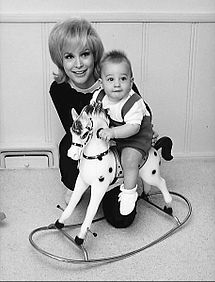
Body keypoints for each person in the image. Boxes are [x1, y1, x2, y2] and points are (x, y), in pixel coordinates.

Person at [48, 18, 156, 228]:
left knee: (121, 219)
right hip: (87, 142)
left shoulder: (113, 78)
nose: (78, 64)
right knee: (70, 153)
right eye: (69, 57)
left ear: (94, 54)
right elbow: (75, 130)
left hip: (122, 143)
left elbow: (142, 110)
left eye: (85, 54)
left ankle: (128, 183)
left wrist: (138, 133)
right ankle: (79, 183)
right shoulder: (59, 89)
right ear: (60, 60)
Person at [91, 50, 153, 216]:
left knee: (129, 159)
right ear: (101, 82)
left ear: (131, 82)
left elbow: (133, 128)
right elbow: (93, 114)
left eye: (123, 79)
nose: (117, 84)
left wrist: (112, 132)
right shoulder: (99, 96)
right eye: (110, 79)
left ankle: (129, 192)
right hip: (114, 134)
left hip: (136, 137)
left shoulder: (134, 102)